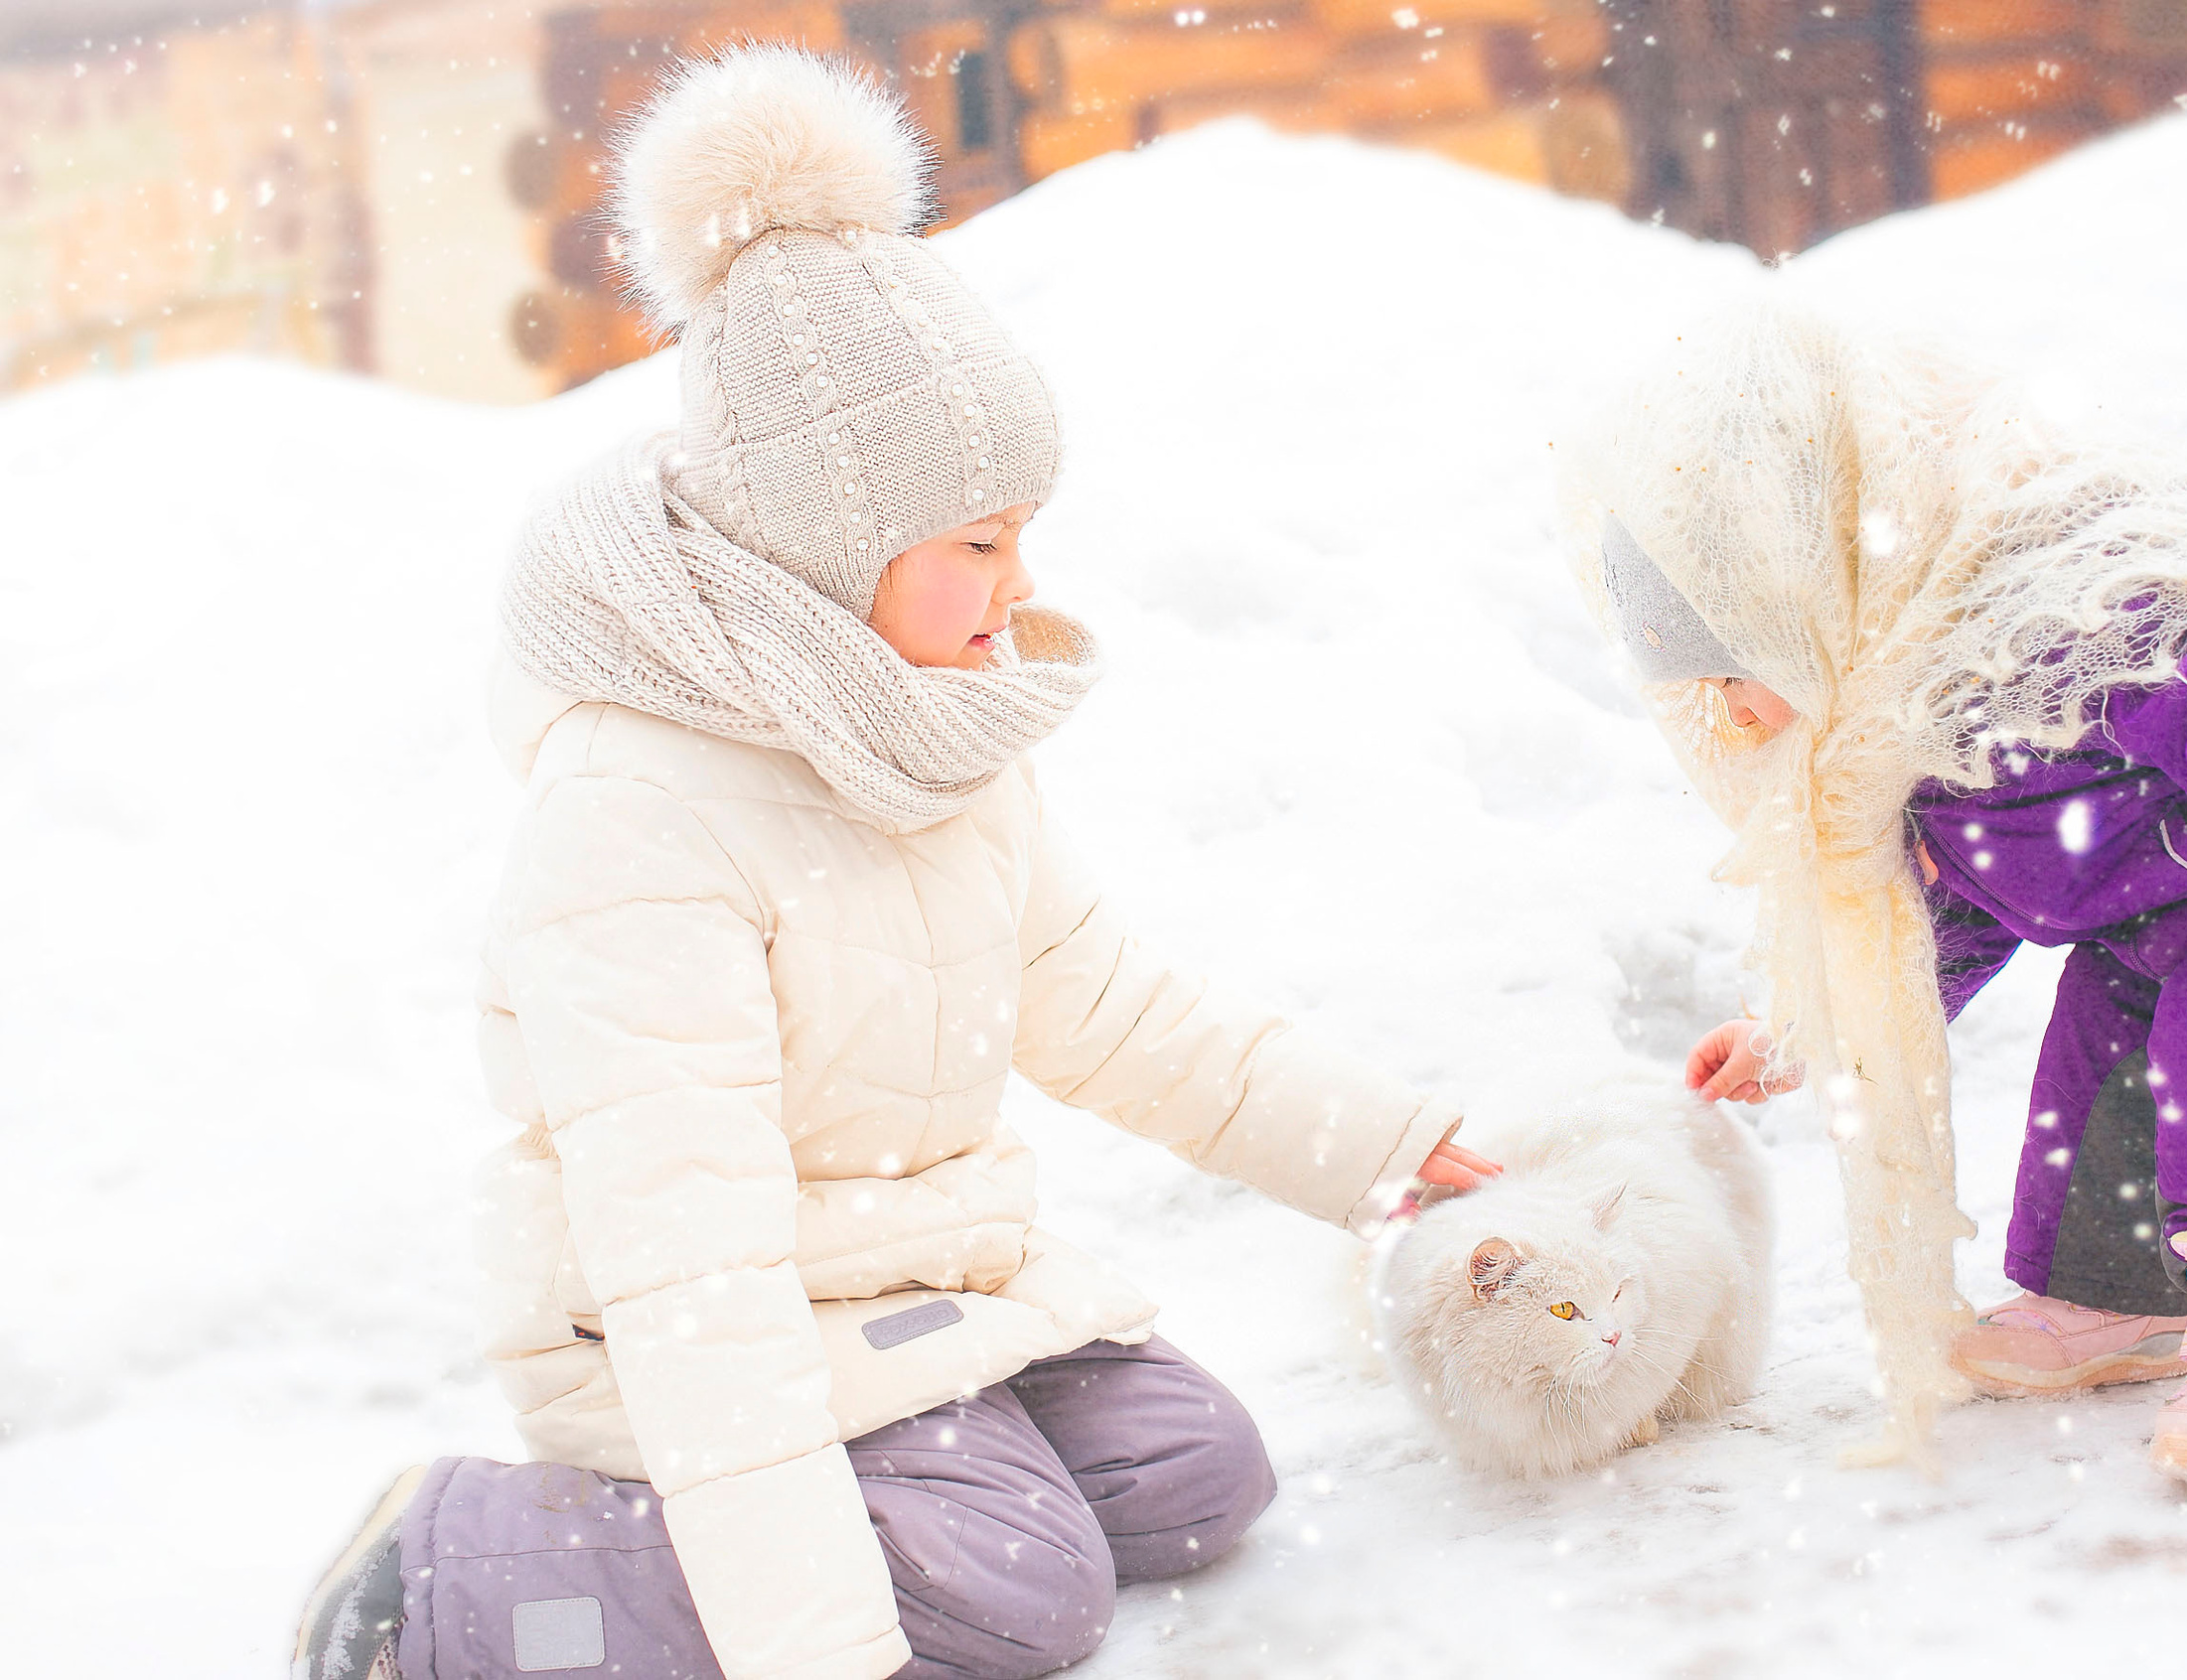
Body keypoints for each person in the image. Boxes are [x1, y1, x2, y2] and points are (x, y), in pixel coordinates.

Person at [292, 47, 1497, 1680]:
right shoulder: (636, 821)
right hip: (693, 1329)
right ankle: (460, 1564)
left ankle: (932, 1477)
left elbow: (1115, 1009)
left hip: (912, 1282)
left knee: (1194, 1476)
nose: (1018, 586)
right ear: (827, 544)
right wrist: (824, 1650)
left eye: (1021, 532)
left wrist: (1385, 1150)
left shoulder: (925, 727)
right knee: (1015, 1597)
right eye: (975, 544)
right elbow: (691, 1265)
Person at [1568, 297, 2187, 1486]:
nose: (1723, 716)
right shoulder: (1893, 711)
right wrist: (1809, 1029)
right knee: (2113, 1013)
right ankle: (2121, 1290)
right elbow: (1950, 911)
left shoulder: (2054, 612)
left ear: (1803, 599)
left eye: (1732, 671)